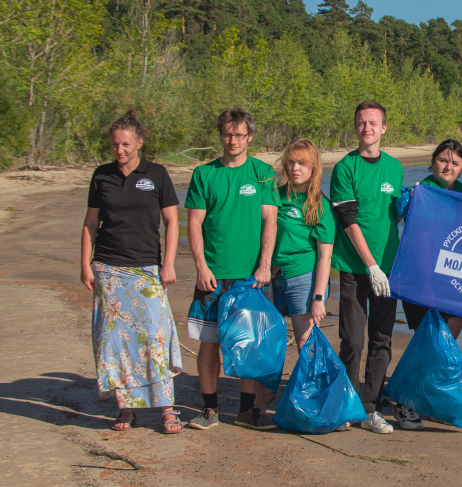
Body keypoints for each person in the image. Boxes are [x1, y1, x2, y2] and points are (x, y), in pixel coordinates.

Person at [81, 110, 183, 434]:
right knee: (115, 344)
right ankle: (126, 409)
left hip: (146, 270)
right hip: (109, 270)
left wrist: (167, 263)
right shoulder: (101, 176)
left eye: (126, 144)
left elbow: (171, 222)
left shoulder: (157, 175)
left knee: (155, 337)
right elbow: (90, 224)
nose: (120, 150)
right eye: (115, 145)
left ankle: (167, 407)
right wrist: (85, 264)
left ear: (139, 143)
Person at [184, 108, 280, 430]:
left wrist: (264, 265)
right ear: (220, 135)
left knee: (249, 343)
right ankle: (209, 409)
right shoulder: (204, 174)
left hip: (250, 276)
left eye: (239, 135)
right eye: (227, 134)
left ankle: (246, 411)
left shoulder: (263, 173)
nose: (233, 140)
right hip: (213, 274)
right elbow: (194, 224)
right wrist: (201, 266)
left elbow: (270, 220)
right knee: (209, 343)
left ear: (250, 137)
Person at [330, 100, 404, 434]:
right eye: (361, 123)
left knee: (381, 340)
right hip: (354, 267)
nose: (367, 128)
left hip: (390, 269)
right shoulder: (345, 168)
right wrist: (370, 264)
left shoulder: (395, 168)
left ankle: (371, 408)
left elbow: (394, 215)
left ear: (384, 128)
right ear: (355, 127)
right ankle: (348, 403)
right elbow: (348, 219)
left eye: (373, 123)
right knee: (353, 341)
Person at [393, 139, 462, 431]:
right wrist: (410, 198)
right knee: (425, 342)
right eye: (443, 160)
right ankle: (405, 404)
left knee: (444, 341)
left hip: (454, 282)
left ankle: (418, 399)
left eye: (455, 163)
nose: (448, 167)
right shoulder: (420, 191)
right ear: (432, 161)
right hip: (419, 279)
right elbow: (400, 212)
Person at [271, 139, 336, 351]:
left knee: (304, 342)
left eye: (302, 163)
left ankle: (310, 384)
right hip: (272, 278)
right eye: (290, 162)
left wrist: (318, 298)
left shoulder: (319, 204)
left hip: (303, 277)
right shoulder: (275, 195)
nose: (295, 168)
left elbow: (325, 257)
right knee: (271, 339)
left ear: (314, 167)